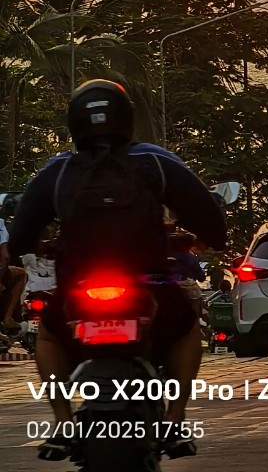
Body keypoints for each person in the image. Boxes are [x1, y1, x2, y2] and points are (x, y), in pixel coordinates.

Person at [9, 78, 227, 462]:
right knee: (185, 329)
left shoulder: (59, 170)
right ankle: (176, 419)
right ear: (127, 118)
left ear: (74, 123)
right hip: (150, 284)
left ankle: (61, 423)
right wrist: (203, 238)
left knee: (48, 336)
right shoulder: (154, 162)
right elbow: (209, 217)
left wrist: (35, 247)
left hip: (79, 289)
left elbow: (22, 232)